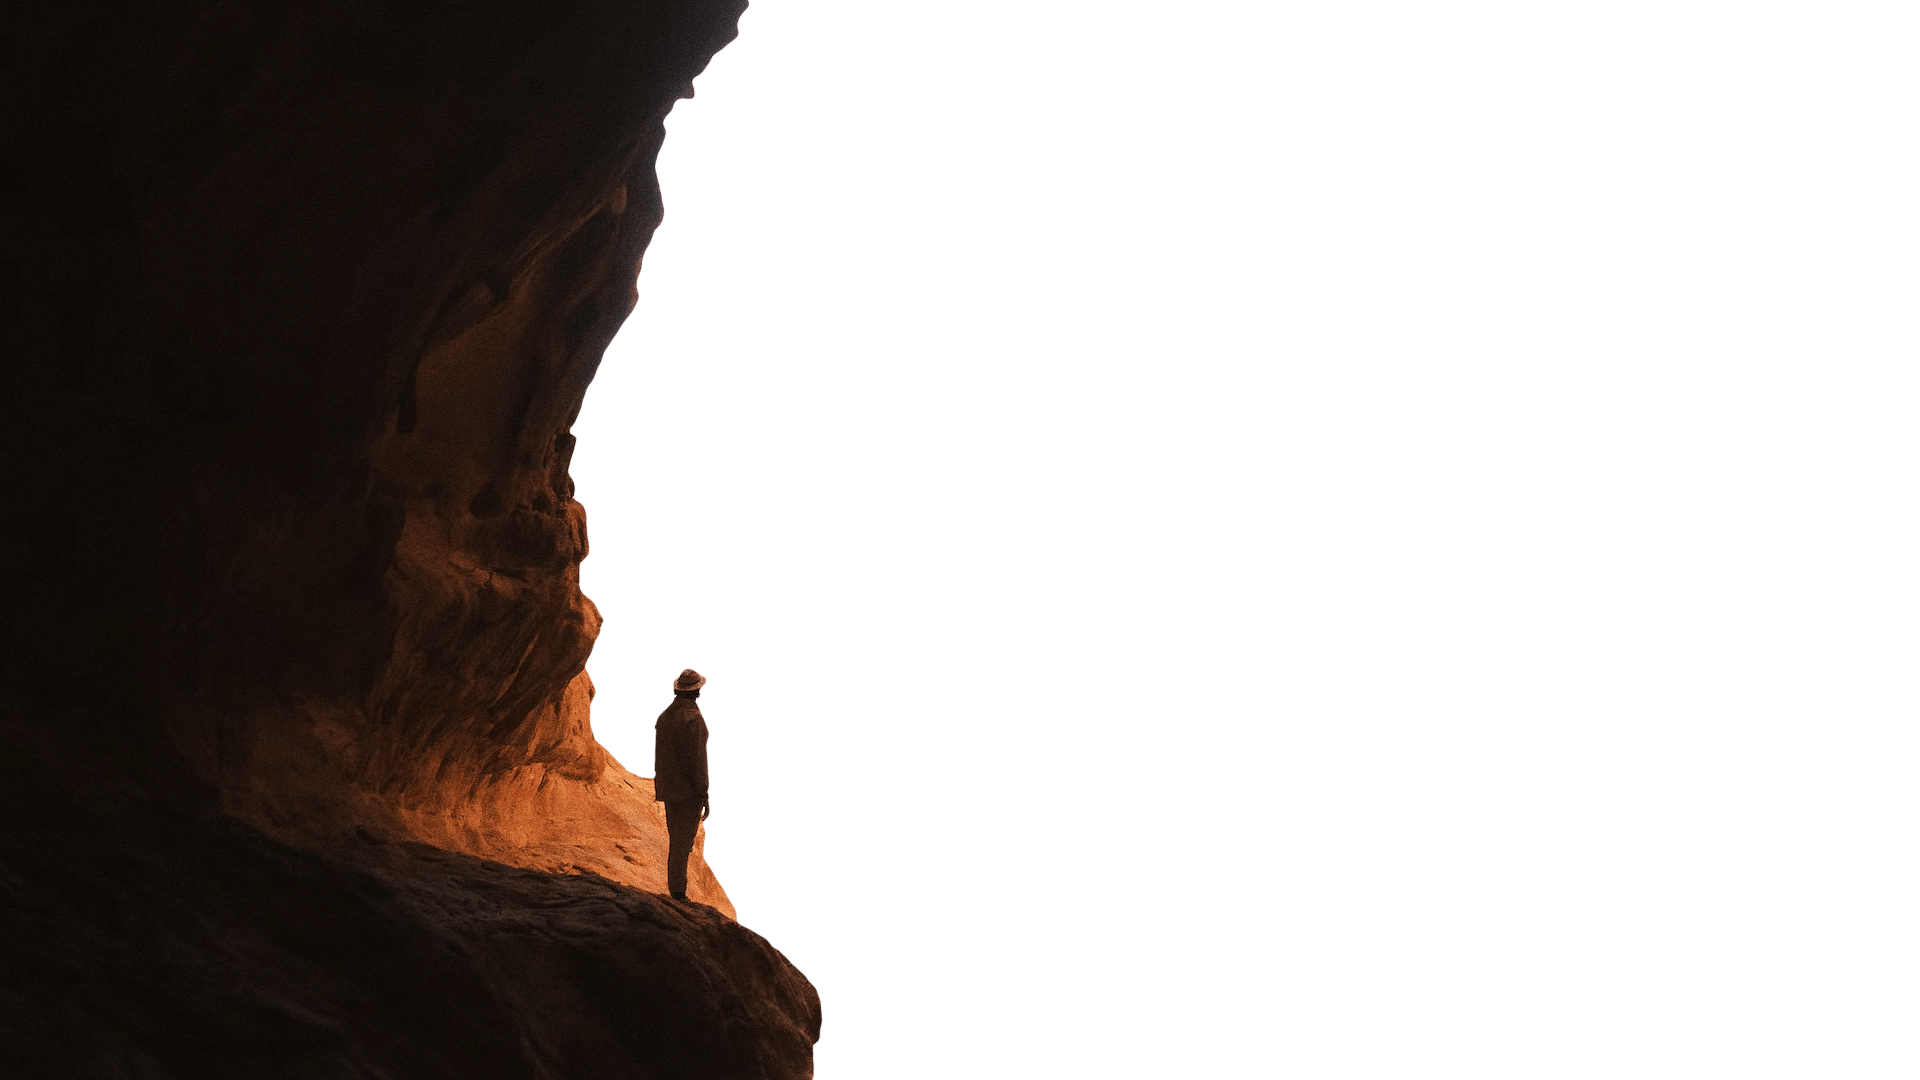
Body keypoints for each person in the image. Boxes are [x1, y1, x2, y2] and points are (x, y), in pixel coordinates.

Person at [654, 667, 712, 901]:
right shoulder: (694, 719)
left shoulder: (664, 717)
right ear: (696, 692)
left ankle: (676, 890)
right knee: (683, 844)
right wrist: (704, 793)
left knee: (675, 842)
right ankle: (679, 895)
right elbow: (698, 761)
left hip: (669, 791)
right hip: (688, 794)